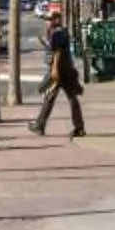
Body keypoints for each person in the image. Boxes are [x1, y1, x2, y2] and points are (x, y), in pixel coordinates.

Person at [32, 9, 86, 138]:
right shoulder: (58, 33)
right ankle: (78, 127)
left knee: (45, 91)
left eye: (50, 20)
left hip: (60, 71)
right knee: (61, 97)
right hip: (65, 70)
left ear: (57, 20)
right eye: (47, 20)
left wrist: (55, 70)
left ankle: (40, 125)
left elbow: (58, 52)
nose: (48, 22)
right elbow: (54, 49)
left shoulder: (58, 33)